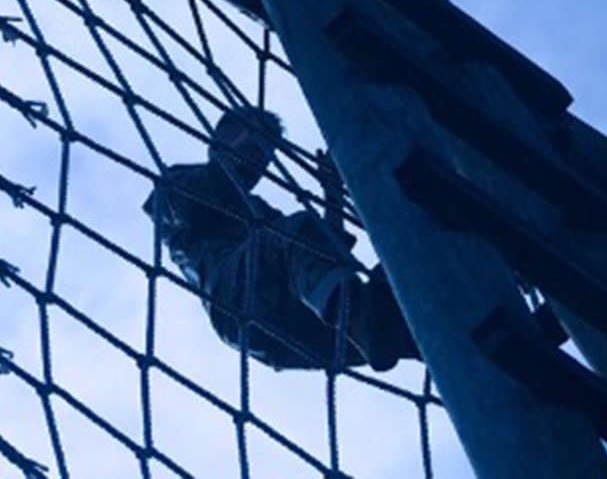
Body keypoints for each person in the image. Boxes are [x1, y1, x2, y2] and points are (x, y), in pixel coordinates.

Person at [143, 106, 421, 371]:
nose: (258, 164)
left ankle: (421, 333)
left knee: (398, 300)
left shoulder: (260, 214)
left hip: (291, 324)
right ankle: (362, 321)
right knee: (300, 238)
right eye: (255, 149)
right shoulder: (179, 182)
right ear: (221, 137)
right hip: (236, 303)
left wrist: (332, 195)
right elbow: (182, 204)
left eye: (264, 157)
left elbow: (324, 250)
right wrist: (236, 152)